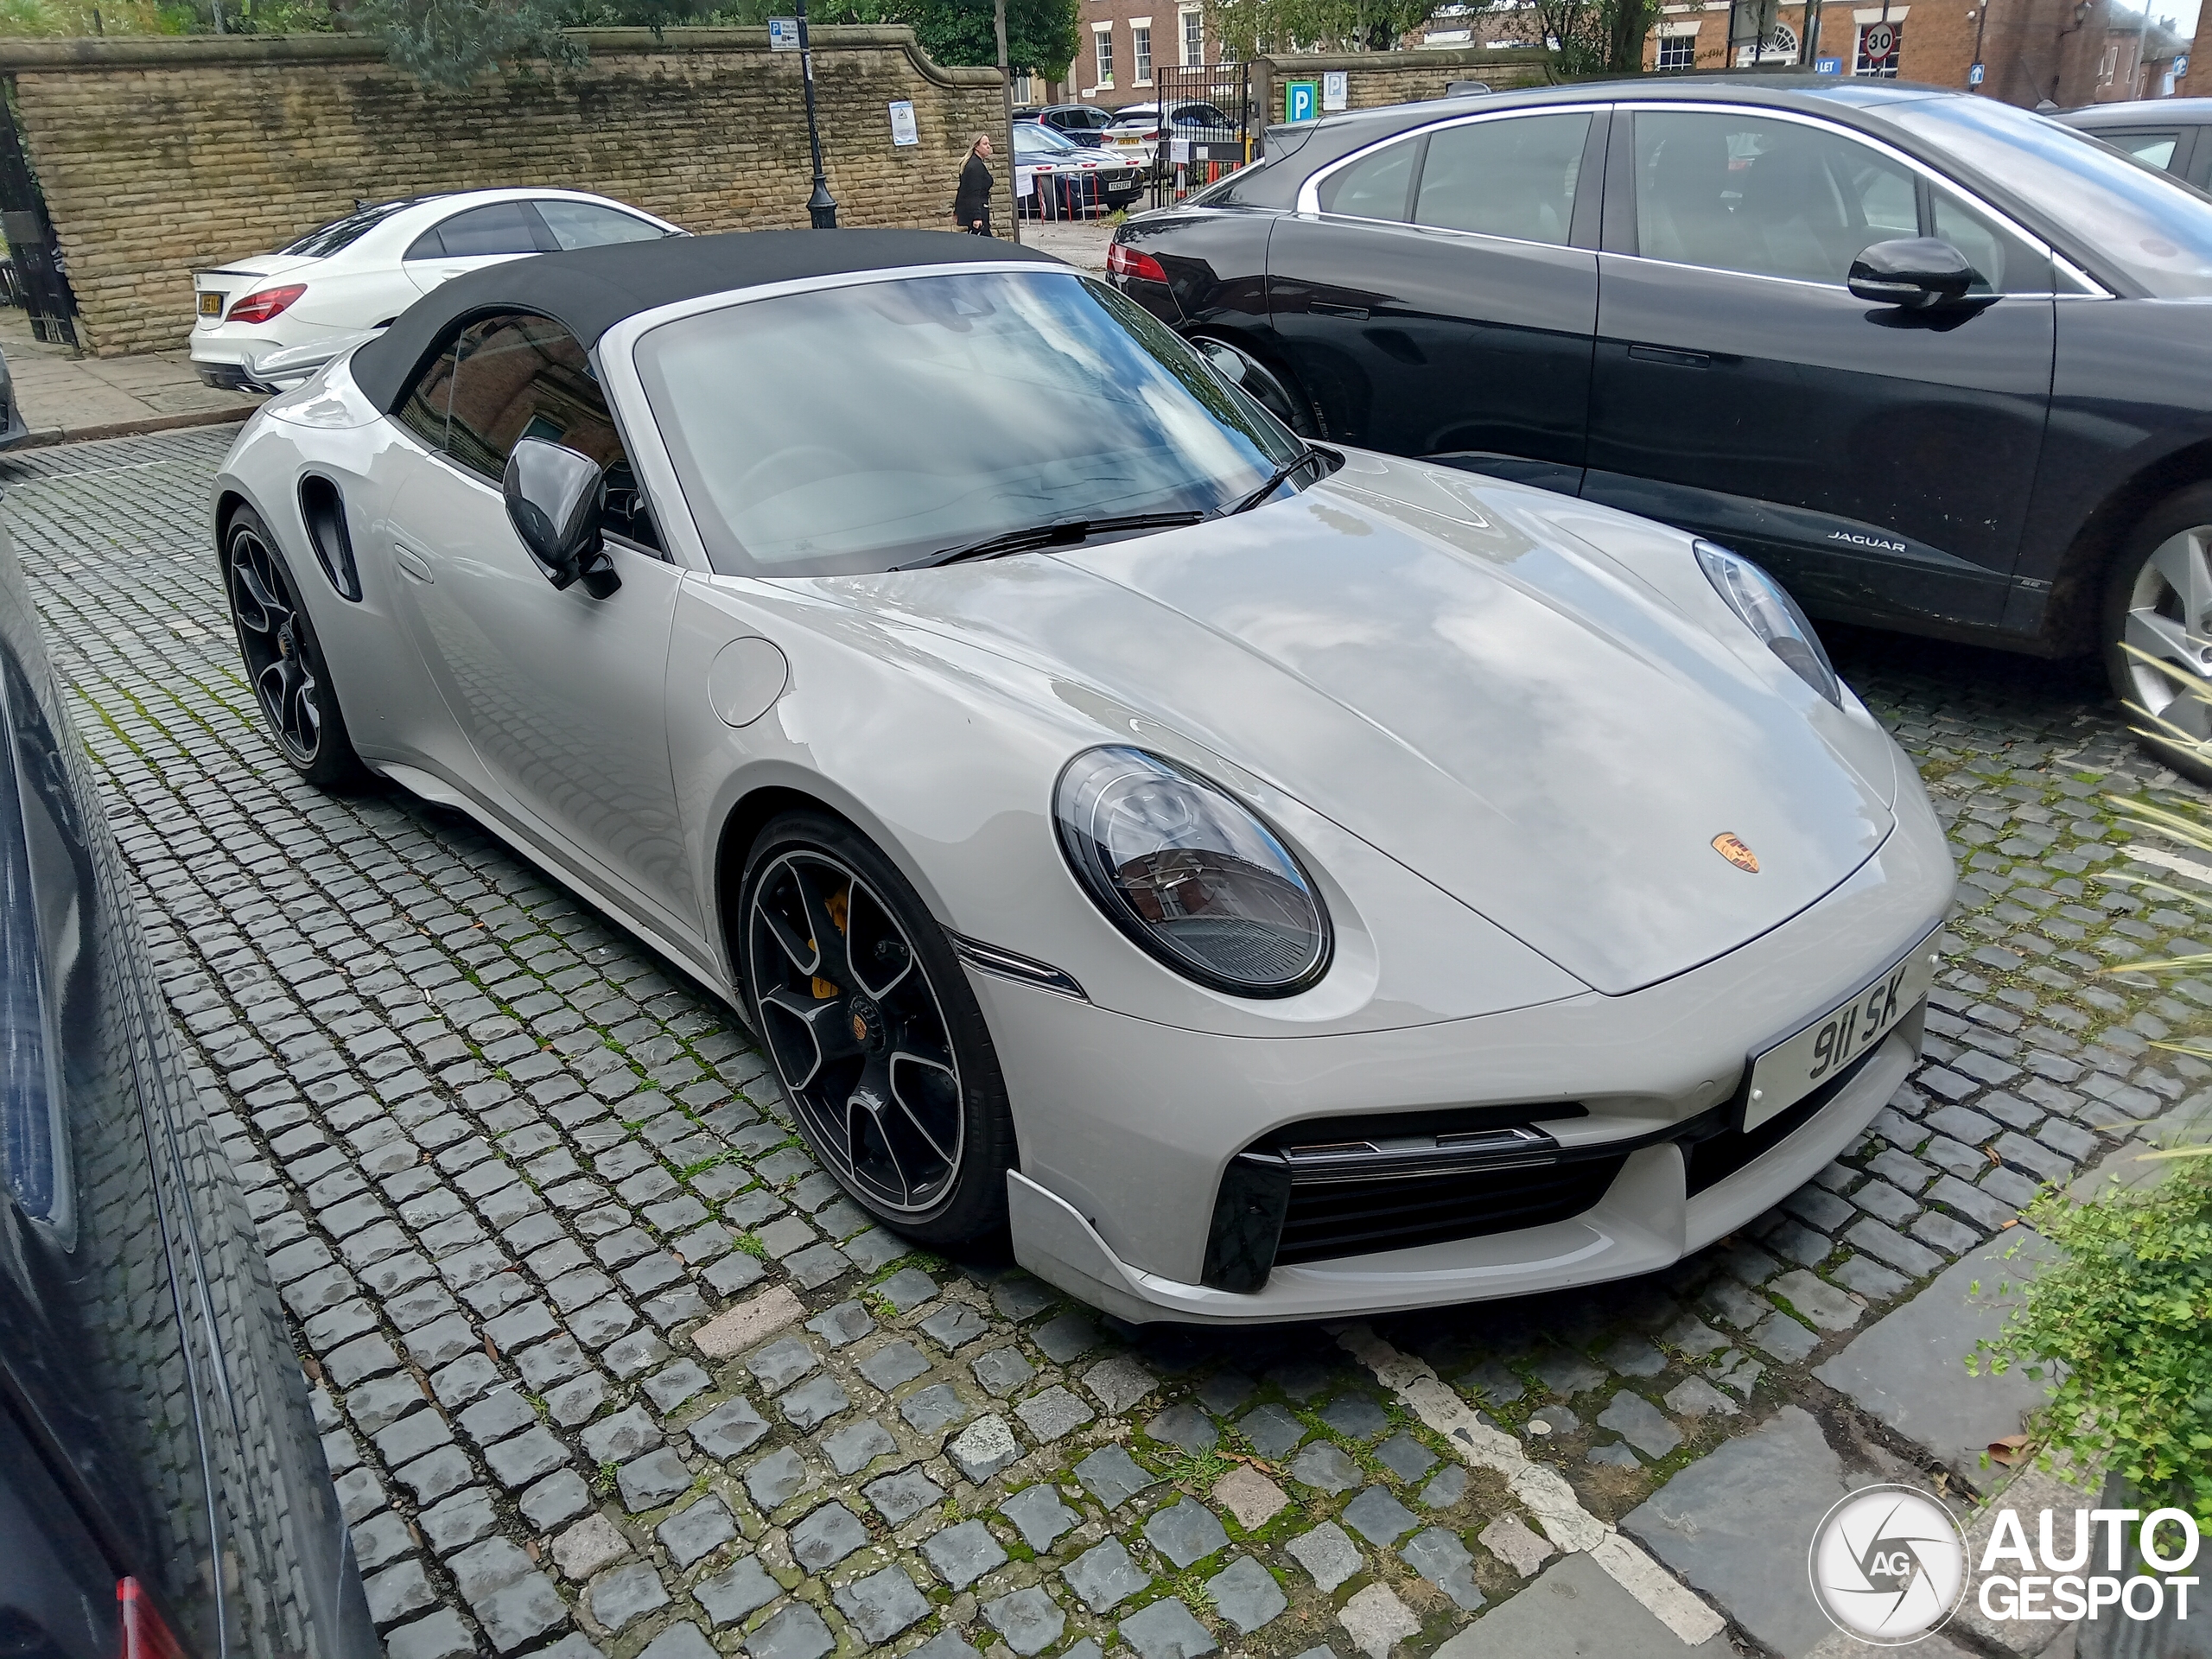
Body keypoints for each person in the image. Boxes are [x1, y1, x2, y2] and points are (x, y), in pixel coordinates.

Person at [954, 134, 995, 236]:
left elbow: (962, 190)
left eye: (989, 144)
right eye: (985, 144)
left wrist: (957, 210)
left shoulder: (973, 163)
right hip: (978, 213)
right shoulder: (975, 166)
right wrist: (977, 217)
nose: (988, 146)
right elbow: (973, 193)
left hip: (977, 211)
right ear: (976, 146)